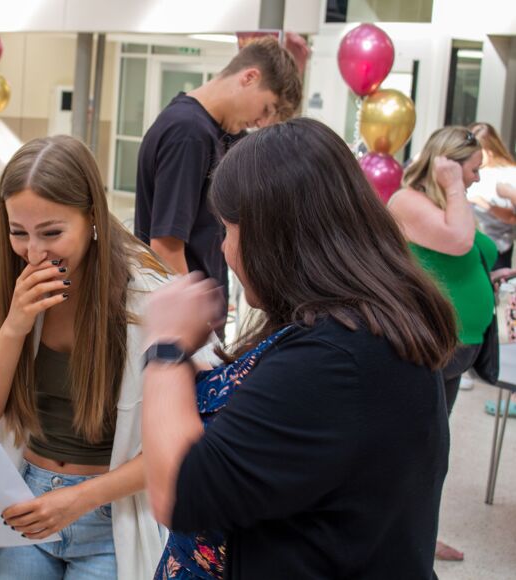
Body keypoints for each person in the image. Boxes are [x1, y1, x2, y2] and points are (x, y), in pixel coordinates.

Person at [142, 118, 455, 579]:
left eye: (228, 230)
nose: (225, 249)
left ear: (273, 237)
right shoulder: (363, 324)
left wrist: (165, 349)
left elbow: (181, 493)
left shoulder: (336, 359)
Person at [0, 135, 169, 579]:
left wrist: (80, 499)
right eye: (18, 233)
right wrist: (14, 325)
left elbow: (179, 448)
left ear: (92, 217)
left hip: (111, 511)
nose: (34, 253)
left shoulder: (147, 293)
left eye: (52, 233)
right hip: (24, 500)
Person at [389, 126, 516, 562]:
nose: (478, 178)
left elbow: (462, 254)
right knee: (417, 452)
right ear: (448, 163)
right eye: (473, 170)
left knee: (432, 453)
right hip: (427, 346)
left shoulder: (447, 204)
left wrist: (491, 277)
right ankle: (406, 543)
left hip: (455, 350)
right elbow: (460, 240)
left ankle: (419, 536)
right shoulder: (408, 201)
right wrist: (452, 183)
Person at [134, 37, 302, 313]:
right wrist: (195, 323)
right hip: (181, 319)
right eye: (266, 109)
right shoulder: (188, 134)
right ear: (249, 77)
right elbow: (166, 246)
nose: (261, 123)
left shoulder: (222, 133)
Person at [467, 122, 516, 270]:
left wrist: (486, 206)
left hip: (497, 249)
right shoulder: (463, 170)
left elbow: (512, 218)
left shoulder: (508, 174)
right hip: (469, 247)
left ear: (490, 150)